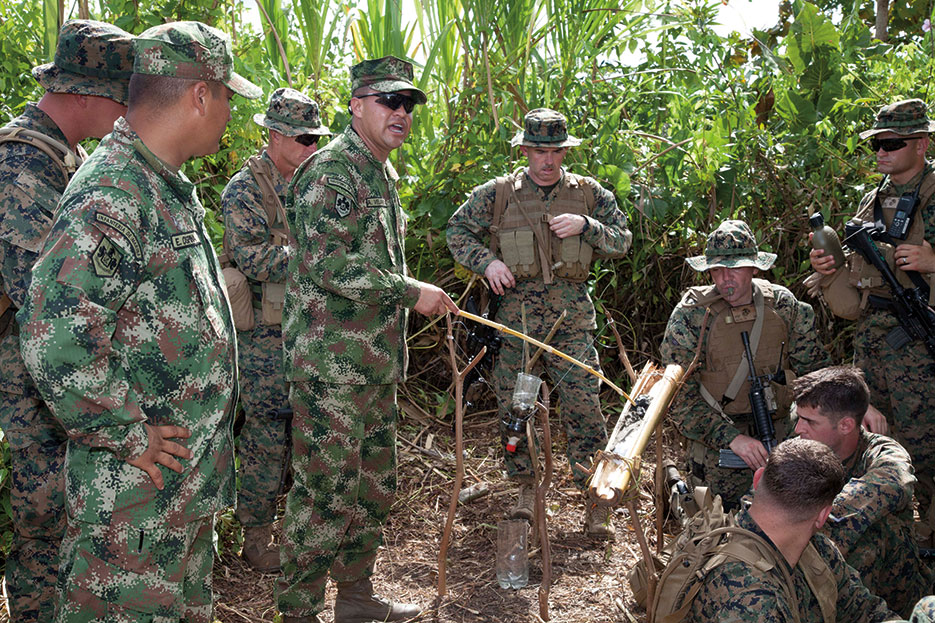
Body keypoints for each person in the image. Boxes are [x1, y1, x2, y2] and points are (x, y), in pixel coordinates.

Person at [18, 21, 261, 622]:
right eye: (227, 96)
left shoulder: (161, 182)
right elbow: (55, 336)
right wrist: (129, 432)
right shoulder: (115, 191)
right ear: (200, 95)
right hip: (132, 507)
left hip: (173, 502)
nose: (230, 111)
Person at [278, 55, 457, 623]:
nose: (401, 113)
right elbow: (327, 263)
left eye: (408, 104)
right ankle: (299, 612)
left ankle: (356, 602)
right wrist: (411, 290)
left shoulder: (379, 170)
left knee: (372, 491)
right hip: (331, 369)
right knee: (323, 497)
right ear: (356, 105)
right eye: (389, 101)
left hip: (373, 367)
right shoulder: (332, 171)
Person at [0, 19, 134, 623]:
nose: (127, 112)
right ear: (83, 93)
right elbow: (43, 302)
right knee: (43, 523)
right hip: (29, 379)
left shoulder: (59, 156)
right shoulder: (25, 165)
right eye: (120, 97)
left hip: (41, 375)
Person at [446, 107, 632, 536]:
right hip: (518, 321)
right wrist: (488, 262)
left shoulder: (589, 194)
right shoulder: (498, 194)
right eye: (539, 151)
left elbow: (623, 240)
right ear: (525, 150)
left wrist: (587, 226)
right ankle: (524, 491)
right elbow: (457, 232)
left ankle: (596, 498)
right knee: (517, 407)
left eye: (555, 151)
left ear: (565, 152)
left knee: (584, 407)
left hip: (572, 321)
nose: (547, 161)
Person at [809, 99, 935, 541]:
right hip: (874, 341)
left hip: (923, 345)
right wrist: (830, 270)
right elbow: (855, 273)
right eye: (876, 144)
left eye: (892, 143)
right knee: (869, 444)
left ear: (920, 144)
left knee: (927, 448)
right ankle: (887, 541)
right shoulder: (874, 198)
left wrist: (933, 260)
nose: (881, 152)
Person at [220, 87, 331, 573]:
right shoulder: (245, 190)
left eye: (317, 139)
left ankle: (305, 527)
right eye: (304, 139)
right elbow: (252, 258)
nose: (312, 148)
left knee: (312, 428)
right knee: (267, 431)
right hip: (265, 336)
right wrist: (315, 261)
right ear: (274, 136)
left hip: (311, 326)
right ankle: (257, 534)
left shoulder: (317, 182)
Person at [660, 219, 831, 510]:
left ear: (754, 267)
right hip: (719, 438)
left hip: (782, 431)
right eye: (716, 270)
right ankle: (675, 487)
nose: (725, 278)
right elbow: (676, 399)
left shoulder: (782, 305)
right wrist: (732, 438)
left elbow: (815, 372)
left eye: (735, 268)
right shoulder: (691, 316)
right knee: (712, 521)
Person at [689, 437, 901, 623]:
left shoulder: (816, 547)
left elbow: (862, 610)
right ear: (822, 516)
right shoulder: (749, 602)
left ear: (757, 477)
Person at [792, 365, 934, 617]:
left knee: (874, 530)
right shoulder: (800, 448)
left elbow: (892, 483)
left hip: (892, 591)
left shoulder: (881, 452)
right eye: (799, 418)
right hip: (827, 575)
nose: (797, 430)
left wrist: (811, 530)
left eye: (809, 421)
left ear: (846, 425)